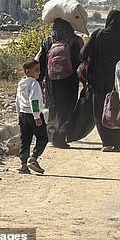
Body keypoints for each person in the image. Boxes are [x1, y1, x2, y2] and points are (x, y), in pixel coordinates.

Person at [81, 10, 120, 152]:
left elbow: (83, 54)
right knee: (119, 108)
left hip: (99, 81)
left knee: (100, 110)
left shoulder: (99, 35)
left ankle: (107, 142)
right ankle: (119, 141)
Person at [37, 18, 83, 149]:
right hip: (70, 80)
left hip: (52, 80)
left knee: (54, 107)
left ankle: (52, 135)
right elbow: (80, 59)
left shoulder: (48, 41)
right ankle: (61, 137)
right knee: (67, 108)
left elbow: (41, 60)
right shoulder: (75, 40)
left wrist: (39, 79)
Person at [16, 59, 48, 174]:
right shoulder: (34, 83)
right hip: (33, 114)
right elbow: (34, 100)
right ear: (27, 71)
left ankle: (23, 165)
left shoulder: (21, 83)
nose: (38, 73)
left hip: (23, 115)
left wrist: (18, 114)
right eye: (36, 70)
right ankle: (33, 158)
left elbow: (18, 101)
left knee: (25, 139)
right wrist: (37, 116)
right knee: (43, 137)